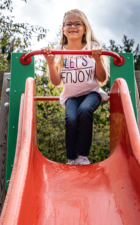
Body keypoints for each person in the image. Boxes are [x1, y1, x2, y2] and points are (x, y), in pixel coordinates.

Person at [42, 9, 109, 165]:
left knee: (85, 111)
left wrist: (98, 59)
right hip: (71, 96)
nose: (73, 26)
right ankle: (72, 158)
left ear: (85, 28)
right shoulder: (59, 50)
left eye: (77, 23)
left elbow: (102, 78)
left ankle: (83, 156)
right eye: (68, 24)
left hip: (91, 93)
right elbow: (56, 82)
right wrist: (50, 62)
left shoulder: (92, 46)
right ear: (63, 29)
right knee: (71, 119)